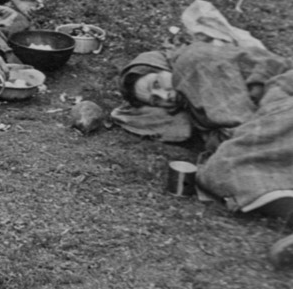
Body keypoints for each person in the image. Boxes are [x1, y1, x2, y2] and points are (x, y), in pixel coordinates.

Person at [118, 38, 293, 268]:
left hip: (282, 100)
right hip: (272, 115)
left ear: (164, 67)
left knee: (223, 167)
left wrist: (226, 146)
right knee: (224, 168)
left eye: (157, 84)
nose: (165, 96)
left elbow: (237, 118)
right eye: (156, 100)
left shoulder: (192, 62)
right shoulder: (187, 93)